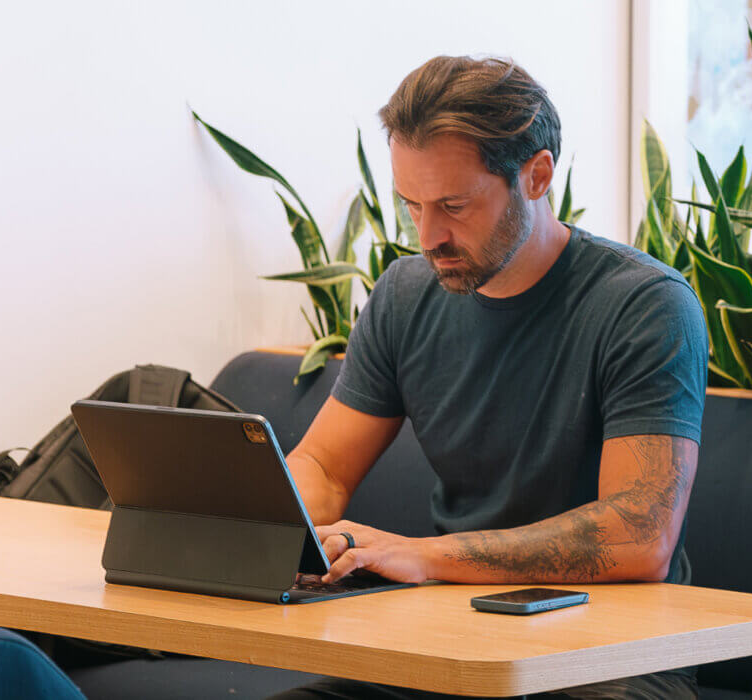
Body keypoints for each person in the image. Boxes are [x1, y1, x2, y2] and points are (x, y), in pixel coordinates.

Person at [269, 55, 708, 700]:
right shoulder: (404, 295)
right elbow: (326, 470)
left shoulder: (646, 306)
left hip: (609, 655)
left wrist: (421, 556)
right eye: (411, 204)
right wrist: (271, 533)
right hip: (452, 637)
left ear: (536, 176)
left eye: (453, 205)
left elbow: (639, 535)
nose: (428, 235)